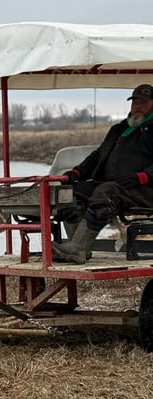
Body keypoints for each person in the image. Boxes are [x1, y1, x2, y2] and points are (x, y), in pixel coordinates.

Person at [52, 83, 153, 264]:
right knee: (68, 193)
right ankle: (79, 248)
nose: (137, 106)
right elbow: (97, 156)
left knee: (105, 192)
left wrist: (142, 177)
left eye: (143, 103)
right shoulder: (119, 129)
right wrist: (77, 172)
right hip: (114, 186)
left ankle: (77, 248)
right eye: (134, 102)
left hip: (144, 189)